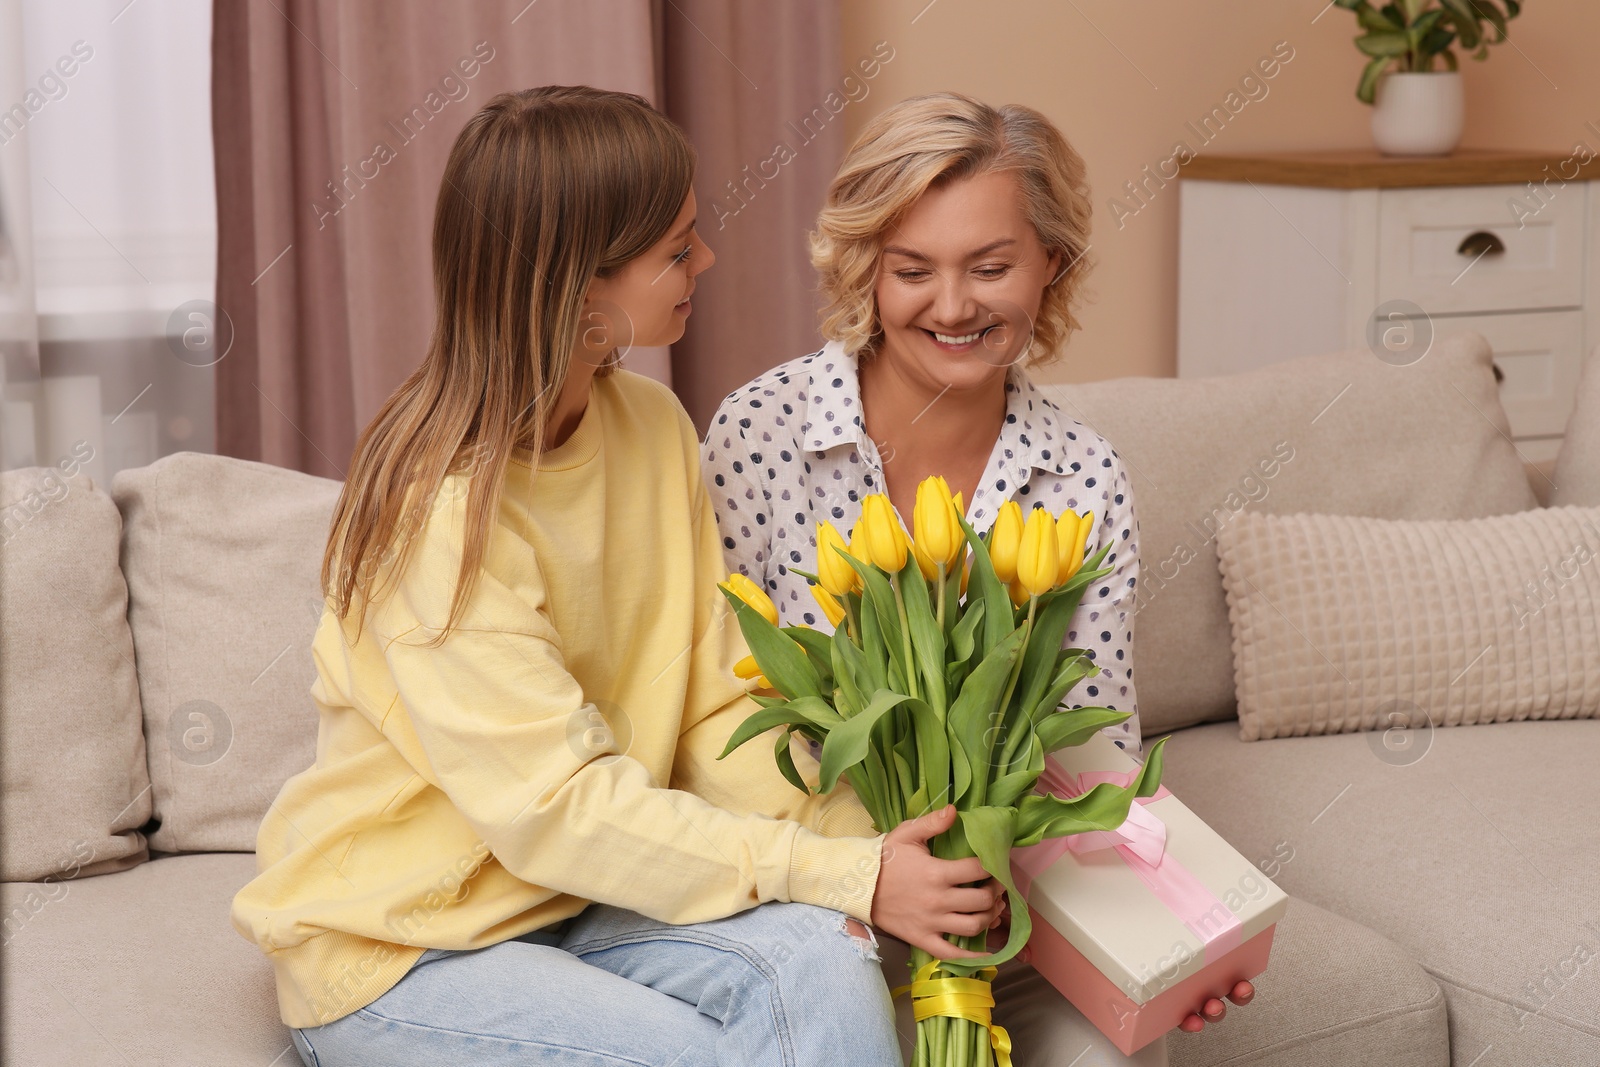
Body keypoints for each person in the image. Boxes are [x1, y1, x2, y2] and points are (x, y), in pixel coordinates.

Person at [231, 85, 1012, 1067]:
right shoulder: (439, 510)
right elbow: (555, 809)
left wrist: (879, 854)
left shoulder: (646, 426)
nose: (707, 262)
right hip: (404, 945)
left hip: (578, 898)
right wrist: (839, 871)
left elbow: (712, 708)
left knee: (822, 951)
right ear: (578, 282)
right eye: (677, 248)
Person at [702, 91, 1255, 1067]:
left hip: (1007, 924)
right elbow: (708, 718)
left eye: (990, 267)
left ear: (1054, 264)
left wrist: (1170, 940)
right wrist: (863, 875)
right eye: (911, 270)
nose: (951, 306)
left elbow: (1094, 744)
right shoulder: (763, 430)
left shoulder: (1081, 474)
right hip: (812, 919)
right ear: (863, 267)